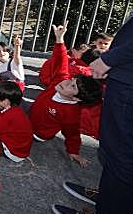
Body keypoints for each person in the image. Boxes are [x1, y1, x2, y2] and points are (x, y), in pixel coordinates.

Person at [52, 0, 133, 214]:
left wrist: (109, 59)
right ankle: (109, 198)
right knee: (118, 151)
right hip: (130, 77)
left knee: (123, 154)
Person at [29, 22, 102, 167]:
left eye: (72, 86)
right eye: (71, 80)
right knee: (7, 93)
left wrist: (73, 151)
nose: (67, 82)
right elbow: (61, 60)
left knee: (4, 120)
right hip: (30, 114)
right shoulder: (61, 80)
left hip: (37, 133)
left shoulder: (71, 113)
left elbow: (72, 134)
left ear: (76, 98)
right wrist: (59, 39)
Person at [0, 81, 33, 162]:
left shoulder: (10, 115)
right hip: (20, 148)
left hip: (14, 152)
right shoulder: (14, 109)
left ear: (6, 101)